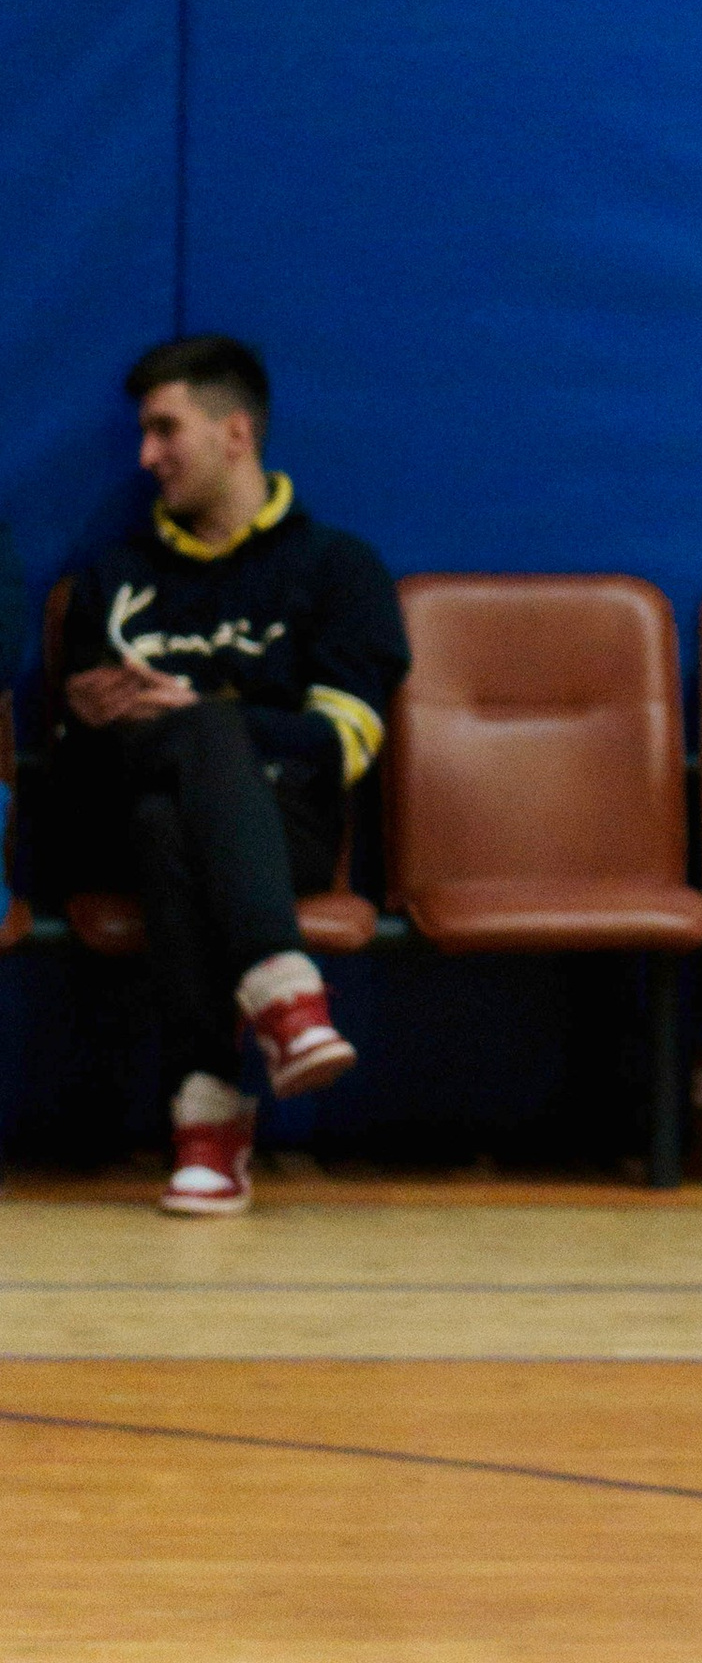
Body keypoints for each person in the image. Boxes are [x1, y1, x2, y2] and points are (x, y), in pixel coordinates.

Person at [50, 335, 410, 1219]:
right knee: (162, 786)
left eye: (165, 429)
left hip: (282, 826)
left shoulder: (340, 568)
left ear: (236, 431)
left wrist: (201, 716)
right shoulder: (111, 577)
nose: (146, 455)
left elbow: (343, 743)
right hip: (117, 805)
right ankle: (282, 1000)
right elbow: (79, 749)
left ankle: (207, 1116)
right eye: (143, 433)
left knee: (172, 815)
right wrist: (118, 715)